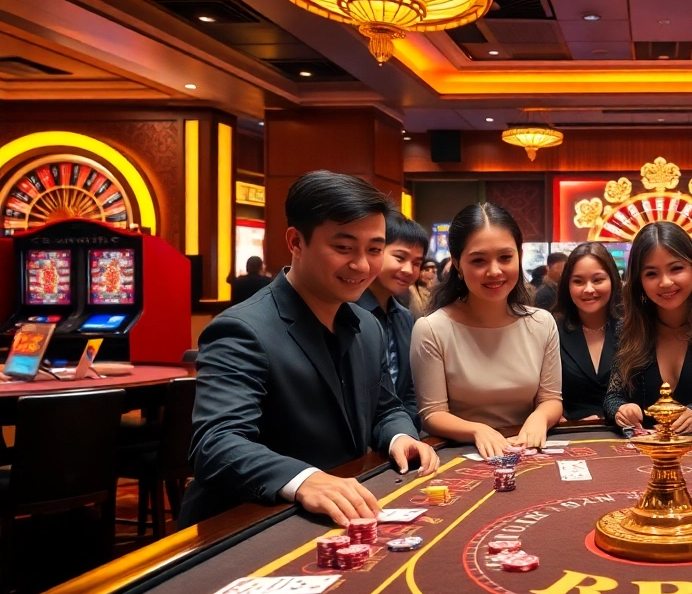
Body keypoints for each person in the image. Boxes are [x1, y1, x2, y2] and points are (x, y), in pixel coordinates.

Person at [182, 172, 439, 527]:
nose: (362, 265)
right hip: (247, 522)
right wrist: (304, 479)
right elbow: (217, 443)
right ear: (296, 241)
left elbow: (385, 409)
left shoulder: (367, 326)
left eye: (374, 250)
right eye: (343, 248)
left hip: (335, 512)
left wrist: (400, 436)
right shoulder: (242, 329)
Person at [410, 203, 563, 457]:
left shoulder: (542, 323)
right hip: (461, 455)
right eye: (479, 260)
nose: (494, 271)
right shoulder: (431, 329)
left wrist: (539, 418)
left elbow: (551, 400)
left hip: (527, 451)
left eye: (505, 257)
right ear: (457, 264)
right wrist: (476, 430)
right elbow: (432, 414)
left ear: (519, 256)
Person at [605, 222, 692, 433]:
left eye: (676, 268)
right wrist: (622, 409)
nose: (666, 282)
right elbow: (612, 397)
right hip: (642, 451)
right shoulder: (627, 329)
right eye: (651, 274)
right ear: (639, 281)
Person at [356, 213, 426, 429]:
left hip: (398, 434)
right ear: (375, 252)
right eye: (400, 257)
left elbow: (409, 389)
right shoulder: (349, 312)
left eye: (417, 263)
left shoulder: (404, 316)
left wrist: (406, 431)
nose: (408, 270)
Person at [553, 243, 622, 421]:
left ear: (613, 280)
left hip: (625, 434)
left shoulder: (632, 329)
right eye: (578, 281)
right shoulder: (551, 330)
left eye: (597, 280)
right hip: (567, 434)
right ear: (567, 286)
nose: (589, 289)